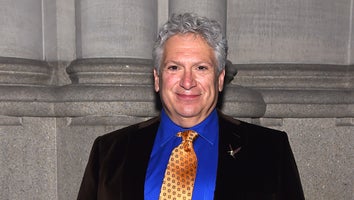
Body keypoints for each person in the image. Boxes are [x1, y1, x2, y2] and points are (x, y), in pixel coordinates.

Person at [77, 13, 305, 200]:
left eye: (201, 68)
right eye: (174, 67)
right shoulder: (109, 152)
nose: (187, 82)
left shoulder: (269, 151)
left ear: (220, 79)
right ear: (157, 78)